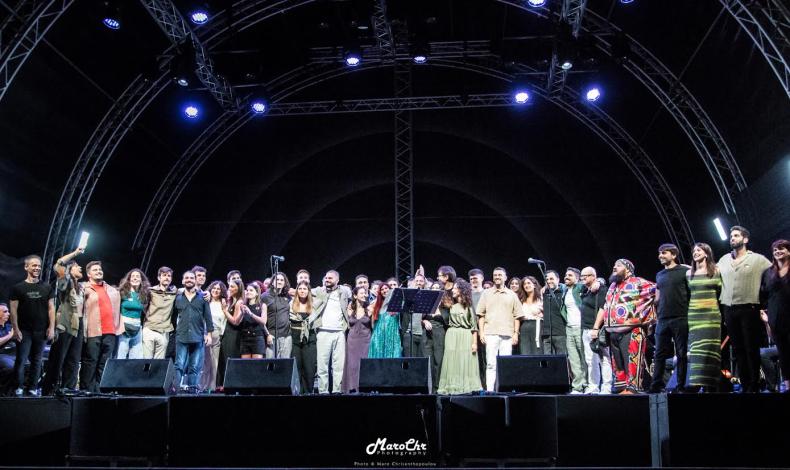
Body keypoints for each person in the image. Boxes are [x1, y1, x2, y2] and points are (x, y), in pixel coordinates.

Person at [717, 225, 772, 393]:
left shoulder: (758, 259)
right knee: (737, 349)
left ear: (745, 239)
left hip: (750, 307)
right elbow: (710, 273)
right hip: (729, 309)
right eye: (731, 236)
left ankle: (754, 384)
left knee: (751, 348)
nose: (732, 238)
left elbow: (775, 271)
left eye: (736, 235)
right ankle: (745, 384)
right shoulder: (724, 259)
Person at [601, 259, 656, 394]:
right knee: (618, 364)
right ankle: (621, 387)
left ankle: (633, 387)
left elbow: (658, 289)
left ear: (628, 270)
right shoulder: (613, 285)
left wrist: (646, 313)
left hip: (632, 330)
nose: (614, 267)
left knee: (631, 361)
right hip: (613, 333)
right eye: (614, 265)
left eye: (619, 265)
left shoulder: (638, 282)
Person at [9, 255, 55, 396]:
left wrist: (51, 327)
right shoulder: (18, 288)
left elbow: (51, 308)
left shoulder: (47, 287)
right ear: (26, 267)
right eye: (34, 265)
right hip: (24, 330)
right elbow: (13, 310)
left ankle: (32, 388)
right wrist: (15, 329)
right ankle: (18, 387)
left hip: (41, 331)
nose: (37, 268)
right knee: (21, 359)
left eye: (39, 266)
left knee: (37, 360)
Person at [41, 248, 84, 394]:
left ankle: (68, 390)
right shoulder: (65, 282)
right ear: (69, 270)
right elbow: (58, 265)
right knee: (58, 358)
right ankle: (49, 390)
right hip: (65, 322)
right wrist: (75, 253)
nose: (80, 268)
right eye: (77, 266)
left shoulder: (81, 287)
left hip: (78, 323)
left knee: (73, 360)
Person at [649, 244, 691, 393]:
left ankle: (681, 385)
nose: (660, 255)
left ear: (673, 255)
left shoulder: (684, 271)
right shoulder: (659, 275)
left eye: (664, 253)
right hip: (663, 319)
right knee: (659, 353)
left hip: (681, 317)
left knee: (681, 353)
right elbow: (657, 298)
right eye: (659, 253)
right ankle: (656, 385)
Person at [684, 243, 724, 392]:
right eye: (694, 251)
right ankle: (697, 384)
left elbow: (722, 292)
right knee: (696, 350)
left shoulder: (716, 270)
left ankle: (711, 385)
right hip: (695, 316)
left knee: (711, 349)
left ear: (706, 253)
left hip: (711, 315)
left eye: (699, 250)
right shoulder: (689, 273)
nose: (695, 252)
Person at [79, 260, 121, 393]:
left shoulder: (111, 289)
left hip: (110, 331)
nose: (98, 271)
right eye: (95, 270)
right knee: (90, 361)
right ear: (88, 274)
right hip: (93, 330)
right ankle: (86, 390)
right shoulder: (83, 288)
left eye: (100, 269)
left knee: (105, 362)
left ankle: (100, 391)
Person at [477, 267, 521, 392]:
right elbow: (481, 315)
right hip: (490, 333)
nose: (497, 277)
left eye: (500, 275)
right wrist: (481, 332)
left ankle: (504, 389)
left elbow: (517, 316)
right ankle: (490, 390)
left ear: (505, 277)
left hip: (507, 334)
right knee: (491, 364)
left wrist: (515, 333)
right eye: (495, 275)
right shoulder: (486, 293)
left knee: (505, 364)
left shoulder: (512, 294)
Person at [309, 271, 351, 394]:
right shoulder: (320, 291)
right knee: (322, 364)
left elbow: (351, 293)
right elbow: (305, 290)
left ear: (337, 280)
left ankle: (337, 390)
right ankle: (323, 391)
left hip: (339, 332)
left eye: (330, 278)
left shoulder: (344, 291)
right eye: (326, 278)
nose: (327, 280)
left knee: (338, 365)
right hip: (323, 331)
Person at [438, 279, 482, 394]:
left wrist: (474, 343)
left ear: (461, 290)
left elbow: (474, 327)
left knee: (465, 360)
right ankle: (452, 387)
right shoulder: (450, 305)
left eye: (455, 288)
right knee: (452, 361)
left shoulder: (468, 306)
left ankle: (466, 387)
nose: (453, 290)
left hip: (465, 335)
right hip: (452, 335)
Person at [171, 271, 213, 392]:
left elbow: (208, 317)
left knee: (194, 367)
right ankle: (176, 390)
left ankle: (192, 391)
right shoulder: (178, 298)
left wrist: (209, 335)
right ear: (183, 281)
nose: (189, 280)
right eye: (187, 278)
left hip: (197, 336)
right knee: (179, 365)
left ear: (195, 280)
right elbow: (173, 316)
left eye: (191, 278)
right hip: (181, 336)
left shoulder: (203, 297)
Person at [760, 239, 790, 393]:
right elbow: (764, 296)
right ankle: (788, 385)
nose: (778, 251)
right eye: (775, 250)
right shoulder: (768, 273)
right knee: (783, 353)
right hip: (776, 318)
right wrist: (766, 318)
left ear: (789, 251)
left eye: (781, 248)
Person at [582, 267, 612, 394]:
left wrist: (595, 327)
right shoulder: (585, 290)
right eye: (582, 276)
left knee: (604, 359)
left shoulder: (601, 289)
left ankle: (607, 387)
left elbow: (602, 308)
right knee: (590, 361)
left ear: (593, 276)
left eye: (586, 276)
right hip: (585, 330)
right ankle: (593, 386)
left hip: (597, 330)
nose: (583, 278)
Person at [423, 266, 454, 388]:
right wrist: (425, 321)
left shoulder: (445, 304)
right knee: (428, 360)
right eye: (433, 288)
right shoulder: (427, 303)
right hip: (427, 333)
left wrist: (439, 314)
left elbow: (449, 320)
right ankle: (428, 388)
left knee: (439, 360)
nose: (435, 290)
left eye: (438, 288)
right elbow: (420, 317)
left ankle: (438, 387)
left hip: (440, 332)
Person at [142, 267, 177, 359]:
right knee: (146, 361)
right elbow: (143, 306)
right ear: (159, 278)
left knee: (159, 363)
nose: (167, 278)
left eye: (169, 276)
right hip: (150, 329)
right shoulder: (151, 291)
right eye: (164, 275)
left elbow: (186, 290)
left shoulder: (174, 292)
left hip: (164, 331)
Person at [342, 287, 372, 393]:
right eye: (362, 293)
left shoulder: (369, 308)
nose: (364, 295)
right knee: (352, 365)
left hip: (365, 340)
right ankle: (352, 387)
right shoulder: (350, 308)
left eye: (365, 293)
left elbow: (373, 324)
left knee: (364, 364)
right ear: (355, 296)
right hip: (352, 341)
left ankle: (364, 387)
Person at [116, 269, 151, 359]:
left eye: (137, 276)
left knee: (136, 357)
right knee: (120, 356)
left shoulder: (143, 294)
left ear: (141, 280)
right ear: (129, 279)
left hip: (137, 328)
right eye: (133, 276)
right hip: (124, 328)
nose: (135, 278)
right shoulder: (122, 292)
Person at [563, 267, 587, 394]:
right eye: (566, 275)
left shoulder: (580, 288)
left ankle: (587, 384)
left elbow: (596, 282)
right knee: (573, 359)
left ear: (577, 279)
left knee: (584, 357)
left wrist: (599, 282)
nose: (566, 277)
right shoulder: (565, 290)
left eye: (570, 275)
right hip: (569, 328)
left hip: (580, 327)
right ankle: (577, 386)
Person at [200, 281, 227, 391]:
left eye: (218, 289)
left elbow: (224, 321)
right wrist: (204, 334)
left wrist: (221, 334)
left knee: (214, 362)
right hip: (205, 333)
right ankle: (202, 386)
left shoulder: (223, 303)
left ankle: (211, 387)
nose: (216, 290)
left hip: (217, 335)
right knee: (205, 362)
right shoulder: (206, 301)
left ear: (221, 291)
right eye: (214, 288)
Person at [217, 279, 244, 389]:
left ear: (239, 288)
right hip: (227, 333)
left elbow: (235, 321)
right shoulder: (231, 301)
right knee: (224, 358)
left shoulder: (239, 302)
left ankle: (230, 385)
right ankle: (224, 384)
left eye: (232, 287)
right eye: (229, 287)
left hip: (234, 334)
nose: (230, 289)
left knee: (230, 358)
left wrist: (224, 310)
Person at [290, 281, 316, 393]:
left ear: (308, 291)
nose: (302, 291)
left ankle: (308, 391)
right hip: (295, 338)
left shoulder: (314, 304)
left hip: (309, 338)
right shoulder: (291, 304)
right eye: (300, 288)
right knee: (297, 366)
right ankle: (298, 391)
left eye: (304, 289)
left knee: (309, 367)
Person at [368, 283, 402, 358]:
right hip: (379, 334)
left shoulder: (397, 302)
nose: (384, 290)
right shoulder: (377, 303)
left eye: (386, 288)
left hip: (392, 334)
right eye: (382, 289)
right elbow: (371, 316)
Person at [263, 272, 292, 358]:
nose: (279, 282)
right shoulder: (265, 296)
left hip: (286, 336)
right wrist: (267, 334)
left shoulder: (288, 296)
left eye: (282, 280)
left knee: (285, 363)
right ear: (272, 282)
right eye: (277, 280)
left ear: (285, 283)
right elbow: (261, 319)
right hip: (271, 335)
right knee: (270, 363)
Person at [469, 268, 487, 388]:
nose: (473, 280)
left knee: (485, 358)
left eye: (475, 278)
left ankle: (486, 385)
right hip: (471, 330)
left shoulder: (487, 293)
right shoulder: (468, 294)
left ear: (482, 278)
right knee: (474, 359)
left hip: (484, 330)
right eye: (471, 279)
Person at [542, 270, 567, 354]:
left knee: (561, 359)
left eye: (551, 279)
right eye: (547, 279)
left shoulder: (564, 292)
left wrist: (600, 281)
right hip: (546, 334)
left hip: (561, 333)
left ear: (558, 279)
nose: (549, 281)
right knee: (547, 360)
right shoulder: (543, 293)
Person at [239, 283, 267, 359]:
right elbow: (237, 322)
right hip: (245, 337)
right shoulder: (243, 305)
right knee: (245, 364)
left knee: (256, 364)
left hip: (257, 337)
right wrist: (241, 313)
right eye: (247, 290)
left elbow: (263, 321)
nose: (248, 292)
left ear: (257, 293)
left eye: (251, 290)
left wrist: (250, 314)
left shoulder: (262, 305)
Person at [517, 276, 543, 355]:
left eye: (529, 283)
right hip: (524, 326)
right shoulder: (521, 299)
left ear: (534, 285)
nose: (526, 285)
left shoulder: (540, 298)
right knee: (525, 350)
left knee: (537, 351)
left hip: (537, 325)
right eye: (524, 284)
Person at [0, 304, 15, 395]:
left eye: (8, 311)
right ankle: (4, 393)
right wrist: (10, 335)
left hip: (14, 353)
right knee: (11, 367)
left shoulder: (10, 326)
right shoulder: (11, 331)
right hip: (2, 354)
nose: (8, 314)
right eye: (5, 311)